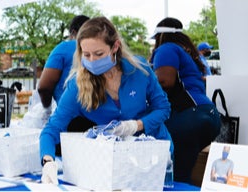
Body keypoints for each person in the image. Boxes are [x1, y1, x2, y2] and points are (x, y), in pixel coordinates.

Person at [40, 16, 174, 184]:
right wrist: (48, 162)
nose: (92, 61)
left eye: (99, 54)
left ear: (115, 47)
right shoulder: (77, 86)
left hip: (156, 155)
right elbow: (51, 129)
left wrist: (136, 125)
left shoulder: (139, 69)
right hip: (117, 163)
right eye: (86, 54)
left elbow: (163, 108)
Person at [150, 17, 221, 184]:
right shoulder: (188, 52)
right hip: (208, 115)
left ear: (160, 36)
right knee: (184, 175)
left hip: (189, 116)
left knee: (173, 177)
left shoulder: (166, 49)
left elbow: (165, 81)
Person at [37, 15, 90, 109]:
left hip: (70, 117)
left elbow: (43, 87)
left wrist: (47, 109)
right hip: (100, 117)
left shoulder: (63, 48)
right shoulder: (103, 51)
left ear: (73, 32)